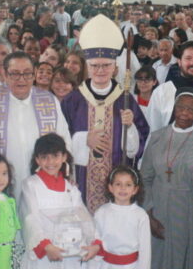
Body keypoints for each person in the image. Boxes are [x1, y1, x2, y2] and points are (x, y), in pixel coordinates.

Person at [6, 133, 99, 269]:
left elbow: (83, 216)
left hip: (66, 258)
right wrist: (45, 246)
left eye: (55, 156)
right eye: (44, 157)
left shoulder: (70, 188)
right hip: (41, 257)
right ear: (37, 160)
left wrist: (94, 242)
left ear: (64, 157)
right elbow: (29, 217)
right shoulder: (31, 184)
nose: (50, 162)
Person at [61, 15, 149, 212]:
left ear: (115, 68)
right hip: (80, 180)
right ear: (87, 66)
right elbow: (60, 138)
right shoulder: (73, 100)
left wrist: (131, 127)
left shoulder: (125, 100)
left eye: (106, 65)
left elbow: (141, 139)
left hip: (116, 183)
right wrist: (83, 139)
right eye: (94, 65)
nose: (100, 70)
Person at [139, 93, 193, 269]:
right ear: (174, 108)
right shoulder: (158, 137)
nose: (185, 113)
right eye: (181, 107)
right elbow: (146, 176)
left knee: (192, 251)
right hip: (161, 201)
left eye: (191, 109)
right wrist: (148, 212)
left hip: (191, 204)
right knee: (163, 250)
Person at [0, 51, 71, 205]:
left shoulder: (49, 101)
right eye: (15, 74)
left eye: (27, 73)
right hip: (1, 182)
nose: (21, 79)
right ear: (5, 74)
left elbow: (64, 140)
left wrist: (67, 175)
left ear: (34, 74)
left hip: (43, 180)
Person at [84, 166, 152, 269]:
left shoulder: (140, 215)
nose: (123, 189)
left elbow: (145, 250)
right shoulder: (102, 212)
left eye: (128, 185)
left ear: (135, 189)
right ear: (110, 187)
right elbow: (95, 244)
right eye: (118, 184)